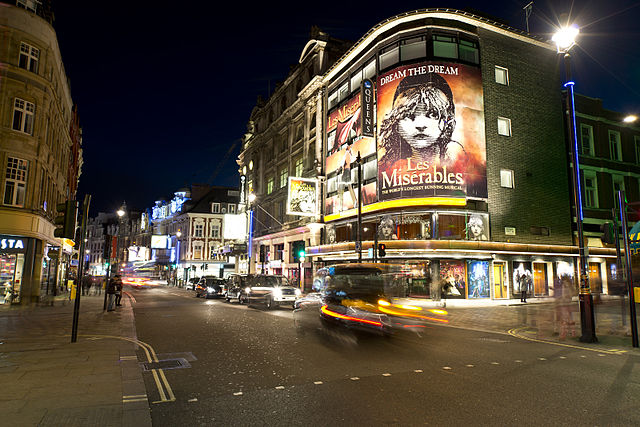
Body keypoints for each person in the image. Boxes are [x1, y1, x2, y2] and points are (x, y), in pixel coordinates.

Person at [378, 72, 462, 167]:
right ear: (395, 123)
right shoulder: (389, 168)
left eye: (433, 114)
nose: (420, 125)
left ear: (448, 121)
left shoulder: (460, 161)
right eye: (409, 116)